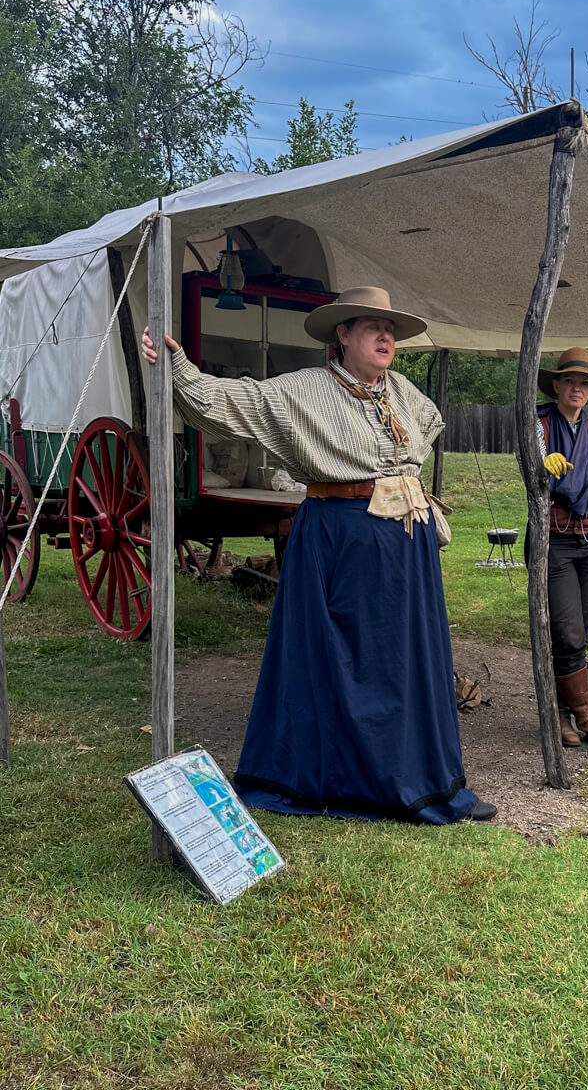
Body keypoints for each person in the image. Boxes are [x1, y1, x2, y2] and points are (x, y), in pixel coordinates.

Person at [141, 285, 496, 824]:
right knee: (341, 660)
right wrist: (179, 369)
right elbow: (236, 403)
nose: (385, 336)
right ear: (342, 334)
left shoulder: (401, 391)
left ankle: (420, 777)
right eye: (372, 326)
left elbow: (418, 441)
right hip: (342, 536)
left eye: (391, 330)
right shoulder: (303, 390)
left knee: (405, 658)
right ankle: (340, 779)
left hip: (407, 540)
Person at [530, 347, 588, 749]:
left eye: (584, 383)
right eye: (569, 380)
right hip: (554, 541)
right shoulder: (538, 425)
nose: (576, 388)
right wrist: (540, 464)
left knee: (577, 633)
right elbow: (527, 464)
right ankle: (587, 716)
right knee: (566, 632)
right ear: (556, 385)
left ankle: (563, 713)